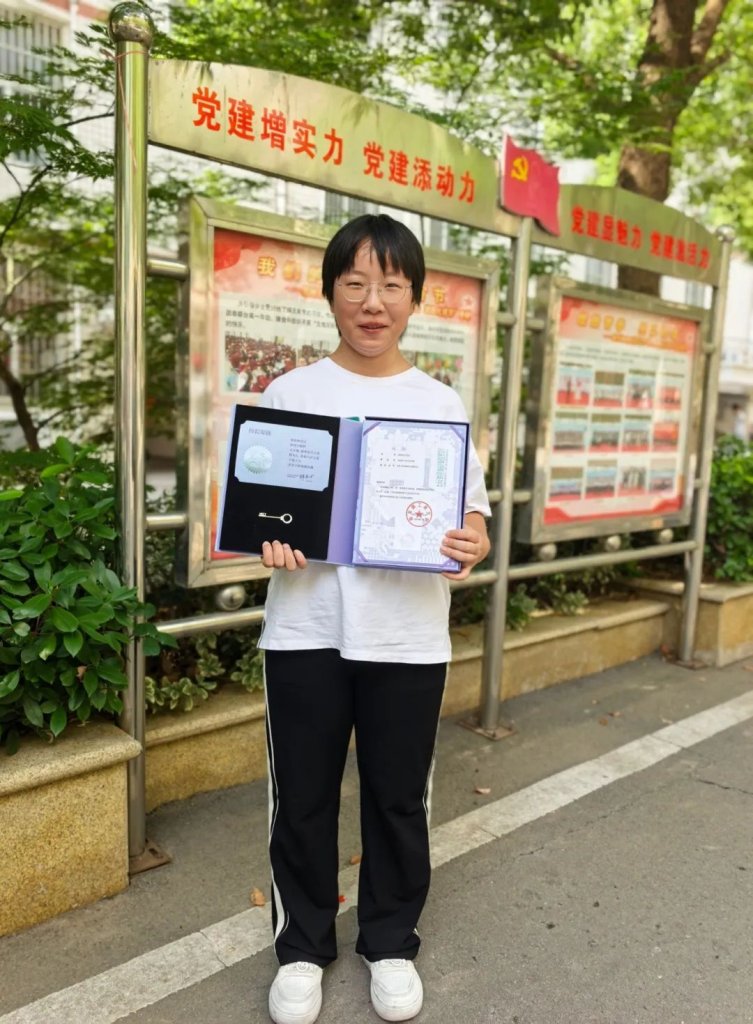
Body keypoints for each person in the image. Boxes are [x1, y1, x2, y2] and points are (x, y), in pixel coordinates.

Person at [257, 214, 491, 1024]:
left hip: (407, 637)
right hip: (305, 630)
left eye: (390, 284)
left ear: (414, 299)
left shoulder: (437, 402)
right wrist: (268, 537)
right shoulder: (290, 394)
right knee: (302, 799)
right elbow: (262, 511)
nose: (372, 301)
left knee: (397, 799)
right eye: (354, 282)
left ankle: (389, 941)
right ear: (329, 293)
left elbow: (471, 519)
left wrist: (470, 543)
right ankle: (301, 949)